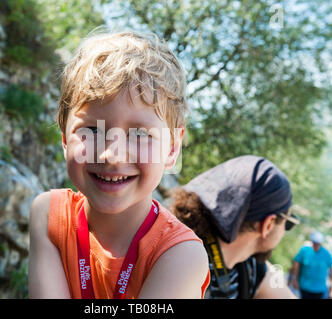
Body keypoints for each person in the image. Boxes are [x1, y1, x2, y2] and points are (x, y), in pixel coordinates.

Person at [28, 31, 210, 299]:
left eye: (139, 134)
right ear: (65, 138)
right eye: (92, 130)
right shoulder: (49, 217)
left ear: (172, 148)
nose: (112, 155)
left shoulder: (180, 255)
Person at [170, 155, 300, 299]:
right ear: (268, 225)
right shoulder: (183, 263)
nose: (285, 231)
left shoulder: (249, 268)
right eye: (288, 223)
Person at [291, 231, 332, 299]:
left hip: (320, 289)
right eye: (314, 242)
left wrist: (331, 285)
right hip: (305, 287)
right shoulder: (304, 250)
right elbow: (296, 264)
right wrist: (295, 279)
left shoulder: (326, 254)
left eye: (317, 243)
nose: (316, 245)